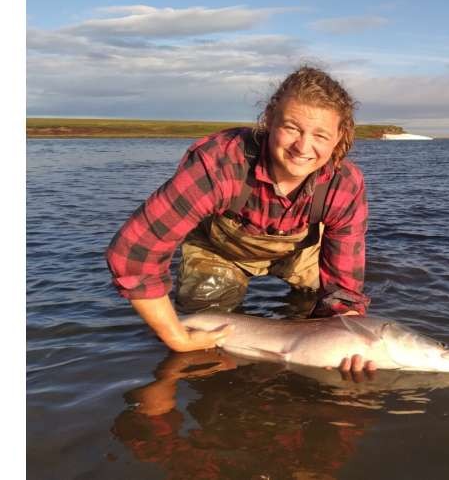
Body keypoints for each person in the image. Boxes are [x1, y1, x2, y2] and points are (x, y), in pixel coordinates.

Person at [106, 66, 376, 376]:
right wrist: (176, 337)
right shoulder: (221, 163)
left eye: (320, 135)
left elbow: (343, 291)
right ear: (270, 119)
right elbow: (132, 252)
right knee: (202, 324)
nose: (303, 147)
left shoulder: (345, 184)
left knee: (318, 308)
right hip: (219, 251)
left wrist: (349, 334)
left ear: (339, 137)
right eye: (291, 127)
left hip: (299, 255)